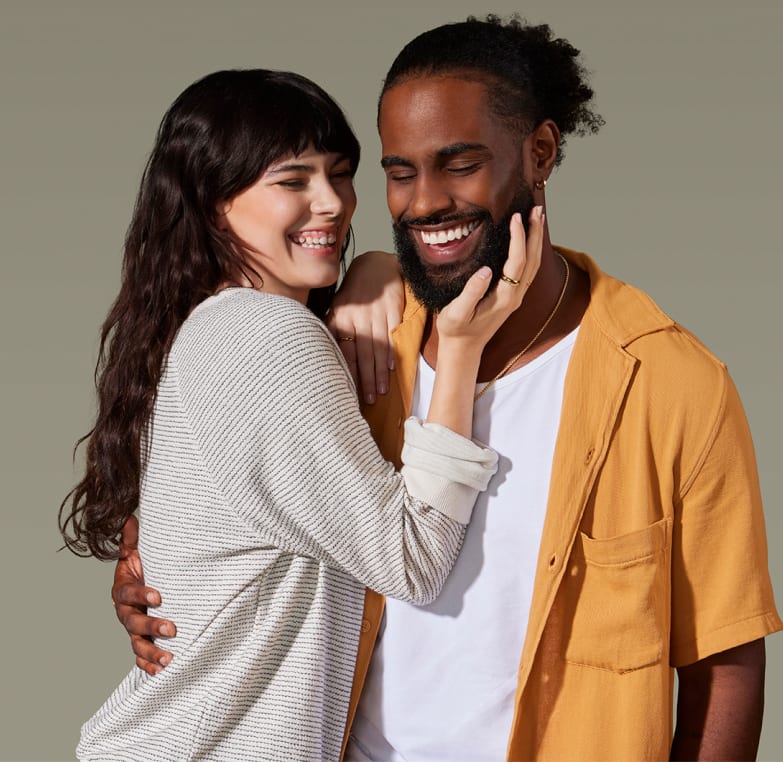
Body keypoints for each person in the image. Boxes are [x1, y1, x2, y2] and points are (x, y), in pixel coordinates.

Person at [112, 16, 783, 761]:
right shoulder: (354, 346)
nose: (424, 201)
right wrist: (152, 570)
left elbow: (724, 658)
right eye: (400, 172)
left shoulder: (669, 384)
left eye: (458, 164)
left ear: (539, 153)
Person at [59, 68, 544, 760]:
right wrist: (463, 348)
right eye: (292, 182)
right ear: (213, 201)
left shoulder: (217, 331)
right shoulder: (262, 338)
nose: (332, 204)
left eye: (340, 175)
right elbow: (410, 559)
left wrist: (379, 266)